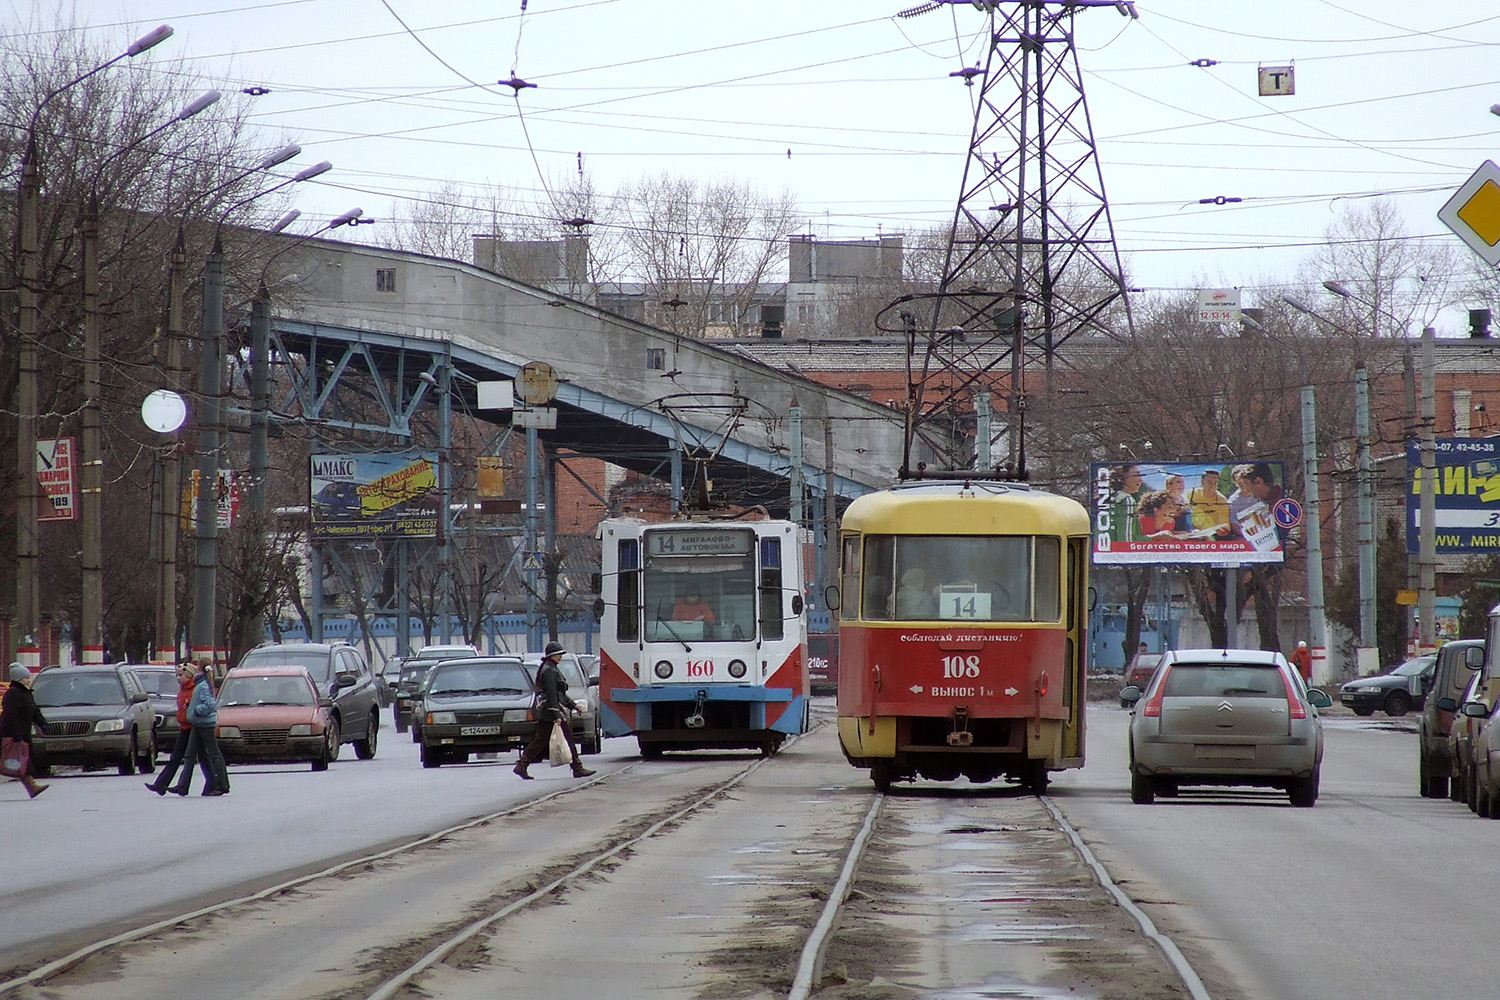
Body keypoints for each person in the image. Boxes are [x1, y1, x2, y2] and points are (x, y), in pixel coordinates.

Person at [514, 641, 596, 780]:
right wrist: (556, 714)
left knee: (540, 740)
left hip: (548, 711)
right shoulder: (550, 670)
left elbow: (559, 694)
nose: (561, 656)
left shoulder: (549, 668)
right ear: (551, 655)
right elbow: (552, 694)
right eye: (558, 654)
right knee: (566, 739)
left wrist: (573, 705)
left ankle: (521, 765)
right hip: (551, 711)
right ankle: (577, 767)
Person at [171, 663, 230, 797]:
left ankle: (222, 785)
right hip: (197, 724)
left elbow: (210, 704)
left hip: (204, 724)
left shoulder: (202, 685)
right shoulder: (201, 684)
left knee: (214, 754)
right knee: (190, 755)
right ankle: (182, 786)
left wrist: (197, 710)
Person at [145, 663, 198, 796]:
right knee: (176, 757)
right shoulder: (182, 689)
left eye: (181, 675)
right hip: (184, 727)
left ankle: (216, 783)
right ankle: (161, 784)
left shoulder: (194, 690)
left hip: (194, 728)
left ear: (189, 675)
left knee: (200, 758)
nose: (178, 678)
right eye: (177, 675)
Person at [0, 664, 49, 798]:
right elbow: (10, 715)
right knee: (16, 760)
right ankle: (32, 786)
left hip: (23, 734)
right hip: (12, 734)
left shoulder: (26, 693)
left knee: (22, 760)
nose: (29, 680)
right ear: (19, 678)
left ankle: (32, 787)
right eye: (26, 677)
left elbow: (34, 711)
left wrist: (43, 724)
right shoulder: (13, 693)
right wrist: (15, 734)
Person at [1105, 464, 1145, 542]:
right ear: (1122, 476)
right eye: (1137, 475)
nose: (1141, 480)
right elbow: (1126, 541)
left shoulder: (1108, 498)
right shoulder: (1126, 500)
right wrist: (1155, 538)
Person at [1188, 469, 1231, 535]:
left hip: (1212, 534)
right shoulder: (1192, 494)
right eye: (1209, 482)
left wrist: (1221, 530)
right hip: (1192, 531)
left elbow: (1223, 525)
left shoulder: (1222, 500)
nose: (1212, 485)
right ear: (1202, 482)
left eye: (1215, 482)